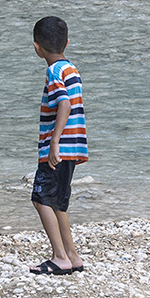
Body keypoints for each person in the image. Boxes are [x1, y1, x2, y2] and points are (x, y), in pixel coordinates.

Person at [28, 16, 88, 276]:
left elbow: (64, 104)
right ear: (67, 43)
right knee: (58, 204)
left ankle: (59, 257)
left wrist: (53, 141)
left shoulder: (53, 71)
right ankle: (72, 255)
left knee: (41, 199)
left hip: (58, 149)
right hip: (73, 148)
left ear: (36, 47)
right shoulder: (71, 68)